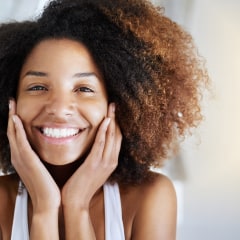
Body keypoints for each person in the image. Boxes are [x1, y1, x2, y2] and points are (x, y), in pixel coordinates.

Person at [0, 0, 208, 239]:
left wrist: (76, 206)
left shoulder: (149, 196)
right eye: (37, 86)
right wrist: (44, 209)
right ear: (9, 100)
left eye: (84, 89)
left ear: (119, 104)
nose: (58, 109)